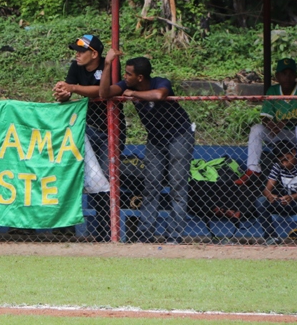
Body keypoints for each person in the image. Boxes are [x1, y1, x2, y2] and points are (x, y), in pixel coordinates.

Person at [99, 49, 195, 244]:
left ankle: (174, 236)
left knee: (177, 185)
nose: (125, 77)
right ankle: (145, 234)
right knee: (151, 185)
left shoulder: (159, 82)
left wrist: (134, 94)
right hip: (155, 139)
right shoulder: (126, 84)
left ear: (140, 77)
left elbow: (160, 95)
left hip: (179, 135)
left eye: (129, 74)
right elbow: (104, 93)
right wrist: (107, 64)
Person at [53, 34, 122, 240]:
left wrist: (73, 88)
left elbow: (103, 92)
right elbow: (68, 91)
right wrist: (63, 93)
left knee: (107, 180)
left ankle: (107, 232)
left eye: (81, 51)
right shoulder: (76, 67)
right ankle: (68, 228)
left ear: (94, 54)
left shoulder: (110, 65)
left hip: (110, 130)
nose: (77, 55)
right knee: (76, 175)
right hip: (85, 129)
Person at [235, 58, 297, 186]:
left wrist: (285, 122)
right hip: (280, 133)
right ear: (277, 76)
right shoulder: (273, 90)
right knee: (257, 128)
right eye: (284, 74)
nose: (287, 77)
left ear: (295, 75)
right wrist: (270, 124)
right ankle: (253, 170)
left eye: (290, 73)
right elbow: (265, 116)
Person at [256, 140, 297, 245]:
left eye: (287, 159)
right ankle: (271, 237)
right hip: (286, 201)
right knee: (261, 201)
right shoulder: (277, 166)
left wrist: (292, 197)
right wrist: (270, 196)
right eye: (281, 161)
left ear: (293, 152)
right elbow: (266, 189)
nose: (284, 164)